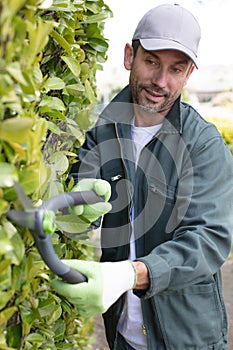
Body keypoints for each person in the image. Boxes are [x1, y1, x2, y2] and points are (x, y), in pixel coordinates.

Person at [52, 4, 233, 350]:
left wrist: (129, 274)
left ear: (189, 74)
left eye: (175, 69)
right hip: (122, 334)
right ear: (129, 55)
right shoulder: (105, 130)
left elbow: (208, 240)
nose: (161, 82)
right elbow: (79, 189)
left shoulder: (203, 144)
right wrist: (79, 202)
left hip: (187, 338)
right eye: (151, 62)